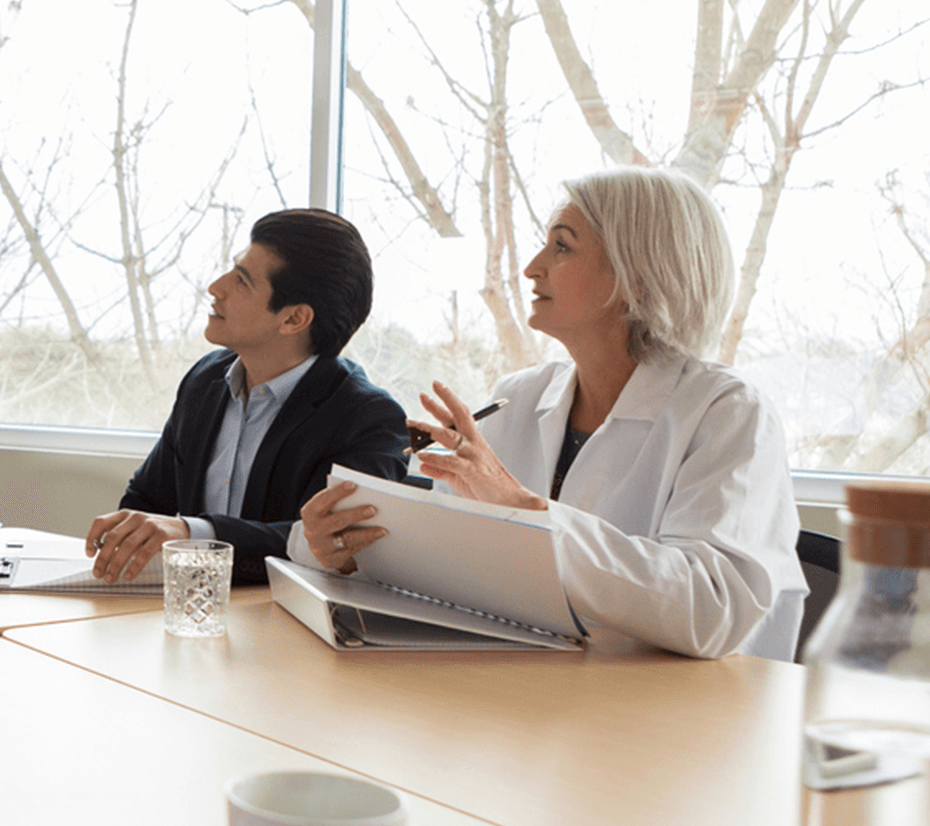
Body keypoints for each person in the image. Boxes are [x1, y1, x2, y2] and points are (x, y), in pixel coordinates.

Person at [298, 167, 806, 660]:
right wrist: (346, 552)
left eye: (562, 246)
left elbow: (711, 607)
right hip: (538, 689)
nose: (532, 267)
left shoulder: (729, 412)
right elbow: (449, 566)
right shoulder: (517, 398)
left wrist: (525, 511)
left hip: (681, 708)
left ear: (638, 277)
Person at [87, 209, 409, 586]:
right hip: (189, 606)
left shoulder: (368, 420)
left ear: (293, 319)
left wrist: (195, 534)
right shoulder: (205, 380)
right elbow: (147, 500)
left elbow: (317, 545)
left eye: (241, 281)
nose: (215, 287)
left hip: (280, 617)